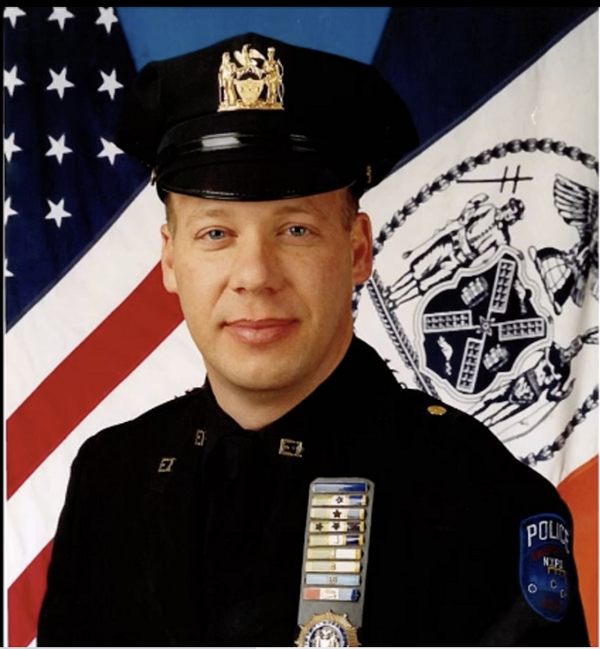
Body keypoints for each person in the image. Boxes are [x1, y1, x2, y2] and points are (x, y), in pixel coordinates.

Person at [37, 32, 589, 647]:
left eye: (295, 229)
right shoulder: (112, 478)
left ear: (356, 250)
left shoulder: (474, 494)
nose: (254, 276)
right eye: (216, 234)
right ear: (170, 260)